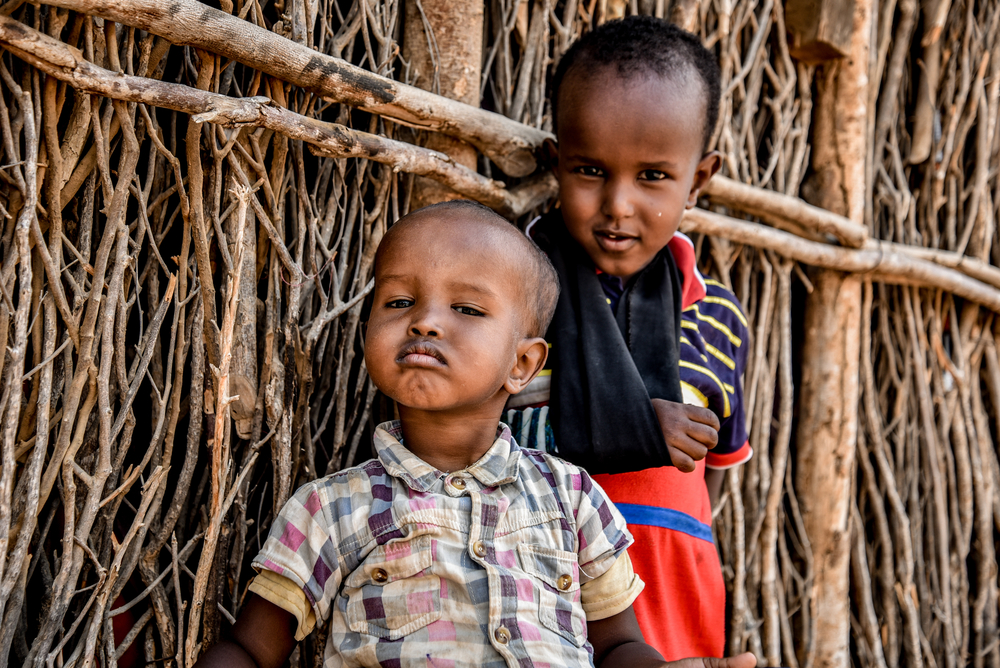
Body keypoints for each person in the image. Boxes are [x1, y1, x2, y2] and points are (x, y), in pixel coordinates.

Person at [193, 200, 757, 668]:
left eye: (466, 307)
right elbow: (250, 648)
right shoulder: (331, 509)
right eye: (398, 301)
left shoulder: (574, 498)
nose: (426, 321)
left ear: (523, 364)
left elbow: (618, 646)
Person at [505, 17, 752, 661]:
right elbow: (468, 440)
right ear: (557, 164)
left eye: (652, 177)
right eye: (591, 170)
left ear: (698, 180)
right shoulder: (517, 300)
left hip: (673, 585)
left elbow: (713, 474)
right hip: (538, 582)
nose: (618, 204)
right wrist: (638, 426)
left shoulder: (718, 317)